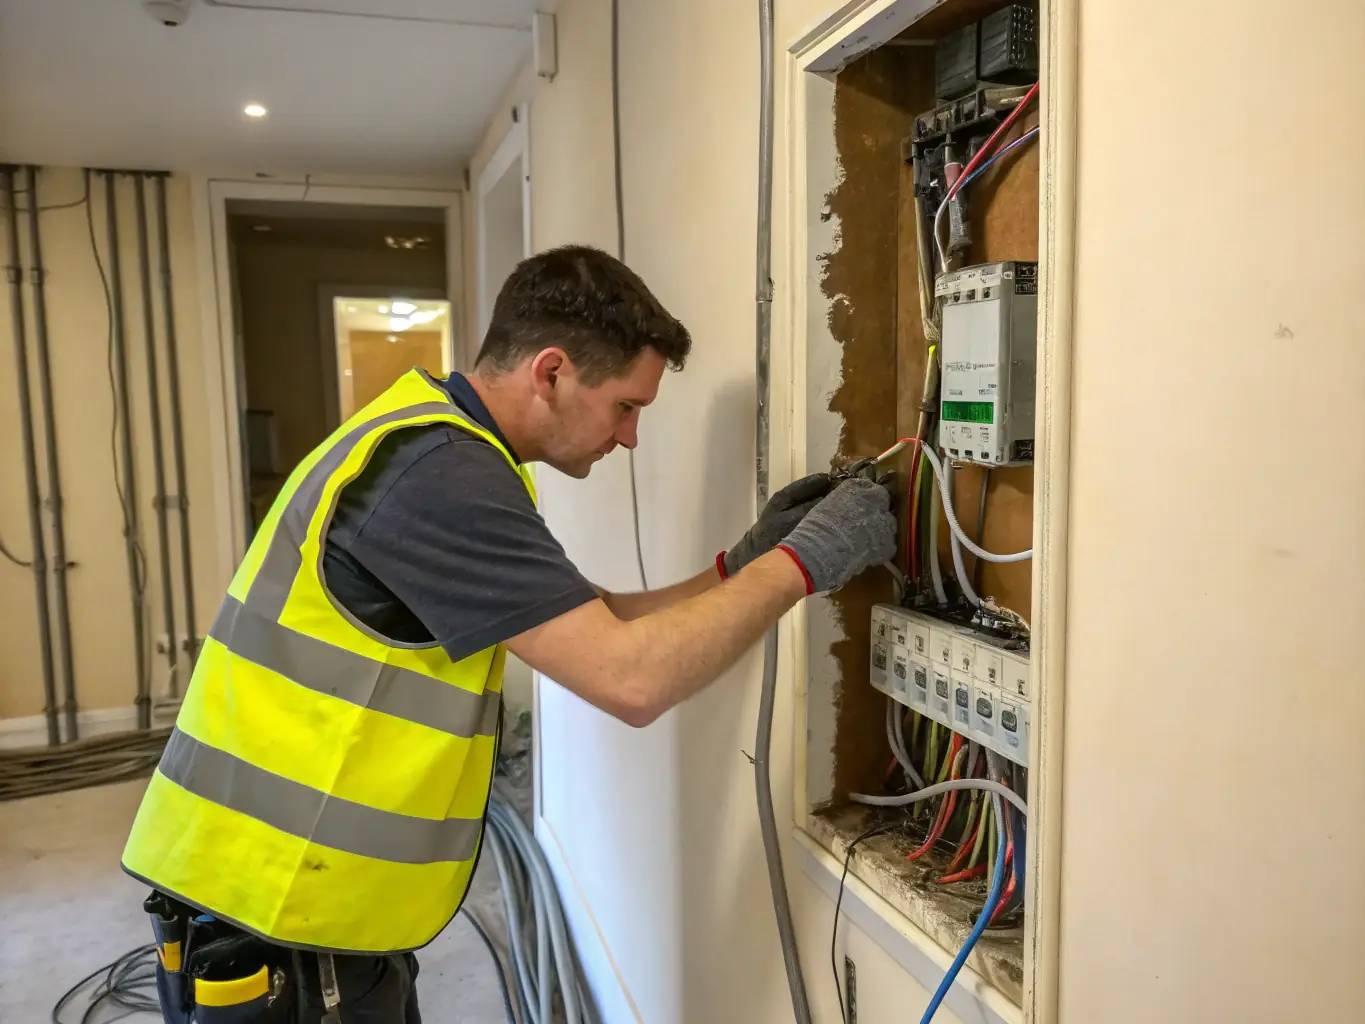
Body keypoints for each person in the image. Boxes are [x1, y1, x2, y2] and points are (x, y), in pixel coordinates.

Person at [122, 245, 897, 1022]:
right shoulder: (441, 476)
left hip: (296, 897)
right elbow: (630, 680)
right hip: (275, 910)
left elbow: (601, 617)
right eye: (626, 406)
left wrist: (742, 564)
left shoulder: (439, 446)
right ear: (552, 372)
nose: (628, 438)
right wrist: (805, 562)